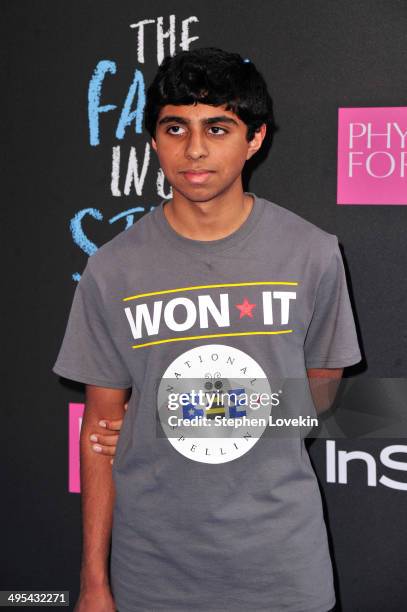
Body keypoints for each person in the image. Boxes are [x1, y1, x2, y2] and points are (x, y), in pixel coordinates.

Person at [53, 47, 361, 612]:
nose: (194, 149)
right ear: (154, 140)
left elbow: (319, 396)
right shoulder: (112, 269)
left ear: (255, 139)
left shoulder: (313, 254)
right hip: (153, 572)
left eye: (218, 127)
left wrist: (193, 413)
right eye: (176, 127)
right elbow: (99, 432)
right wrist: (94, 582)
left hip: (283, 567)